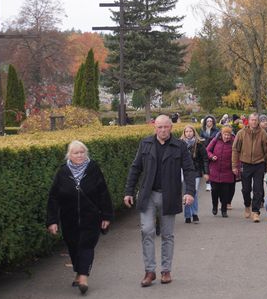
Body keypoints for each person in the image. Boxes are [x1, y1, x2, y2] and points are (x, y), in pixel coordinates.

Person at [124, 115, 196, 287]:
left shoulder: (179, 146)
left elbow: (188, 170)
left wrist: (189, 192)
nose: (162, 130)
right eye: (159, 127)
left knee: (167, 234)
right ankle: (149, 271)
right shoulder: (146, 144)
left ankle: (165, 270)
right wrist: (128, 191)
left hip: (169, 196)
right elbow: (136, 168)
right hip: (148, 195)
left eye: (165, 127)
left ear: (171, 127)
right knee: (147, 230)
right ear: (154, 128)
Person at [47, 140, 113, 295]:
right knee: (73, 245)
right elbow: (54, 197)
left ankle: (83, 277)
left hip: (91, 216)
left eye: (82, 152)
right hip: (68, 217)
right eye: (76, 153)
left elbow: (103, 192)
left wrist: (106, 216)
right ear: (69, 155)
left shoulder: (93, 168)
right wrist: (52, 220)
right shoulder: (63, 172)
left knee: (86, 245)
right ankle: (79, 272)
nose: (80, 155)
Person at [232, 112, 267, 223]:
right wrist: (234, 165)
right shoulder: (241, 133)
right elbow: (235, 150)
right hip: (245, 164)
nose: (254, 122)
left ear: (258, 121)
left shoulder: (263, 133)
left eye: (256, 120)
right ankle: (247, 205)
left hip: (259, 164)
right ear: (248, 121)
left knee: (258, 189)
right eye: (252, 120)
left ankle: (255, 212)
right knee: (246, 189)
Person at [181, 125, 209, 224]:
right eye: (186, 132)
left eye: (190, 131)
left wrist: (206, 172)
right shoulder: (180, 144)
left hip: (195, 171)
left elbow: (205, 159)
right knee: (186, 193)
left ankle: (194, 214)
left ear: (194, 132)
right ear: (184, 133)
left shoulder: (199, 144)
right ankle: (187, 215)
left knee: (194, 192)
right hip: (183, 172)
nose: (188, 133)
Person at [206, 126, 236, 217]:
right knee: (214, 190)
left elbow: (237, 154)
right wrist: (211, 156)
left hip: (227, 171)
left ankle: (224, 210)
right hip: (215, 170)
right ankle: (214, 206)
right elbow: (207, 150)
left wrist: (236, 167)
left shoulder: (234, 142)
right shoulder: (215, 140)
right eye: (225, 134)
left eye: (228, 135)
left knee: (225, 192)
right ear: (221, 134)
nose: (227, 137)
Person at [199, 115, 220, 192]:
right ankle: (208, 184)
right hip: (204, 150)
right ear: (205, 122)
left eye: (211, 121)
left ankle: (214, 182)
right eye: (208, 121)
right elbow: (200, 139)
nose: (209, 122)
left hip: (213, 150)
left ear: (213, 122)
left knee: (213, 167)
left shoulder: (216, 130)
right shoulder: (202, 130)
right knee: (206, 167)